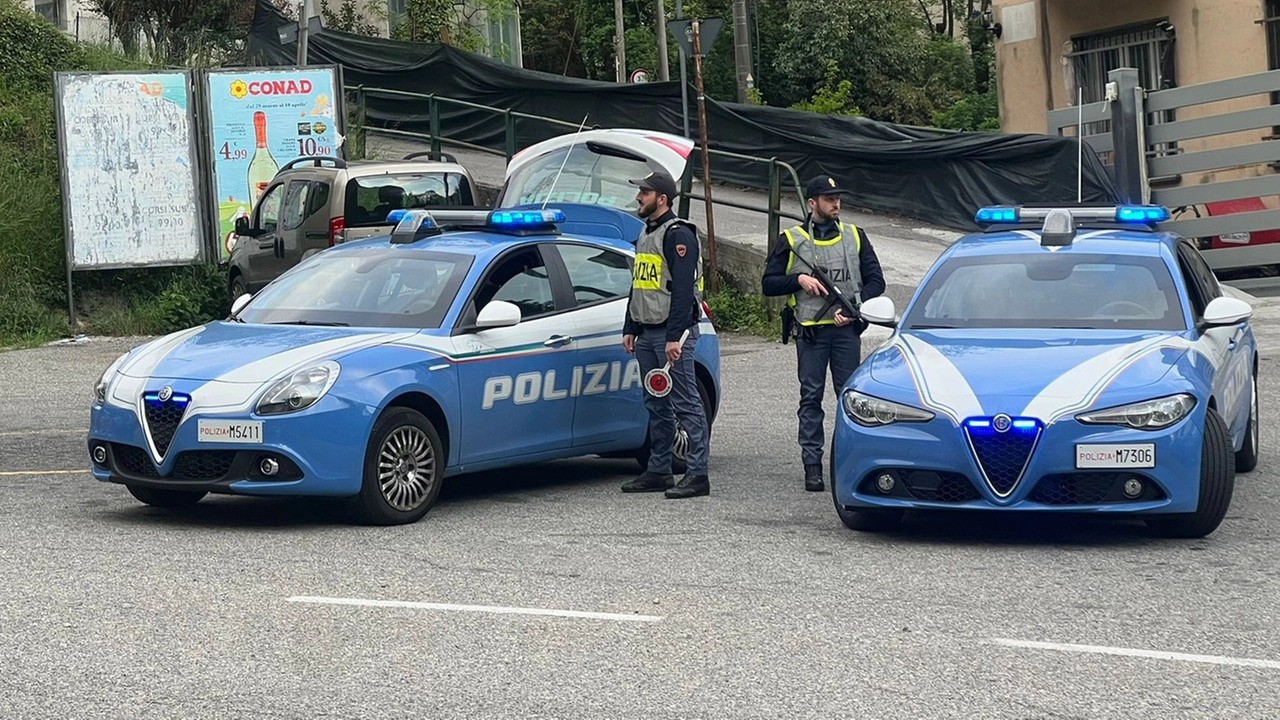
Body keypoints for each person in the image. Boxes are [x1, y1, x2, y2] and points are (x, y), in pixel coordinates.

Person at [761, 175, 885, 492]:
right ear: (813, 203)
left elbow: (876, 282)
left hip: (846, 332)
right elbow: (769, 283)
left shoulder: (855, 236)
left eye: (837, 198)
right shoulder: (791, 240)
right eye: (829, 199)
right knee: (811, 399)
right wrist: (799, 280)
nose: (836, 204)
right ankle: (812, 467)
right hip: (811, 334)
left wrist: (855, 310)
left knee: (850, 399)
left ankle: (851, 464)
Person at [620, 169, 711, 499]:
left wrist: (675, 336)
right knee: (655, 403)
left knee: (686, 404)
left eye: (643, 192)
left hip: (672, 335)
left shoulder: (678, 234)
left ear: (662, 198)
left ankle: (698, 473)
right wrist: (631, 327)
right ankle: (659, 471)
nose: (638, 197)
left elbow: (684, 290)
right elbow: (639, 284)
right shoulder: (647, 233)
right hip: (647, 333)